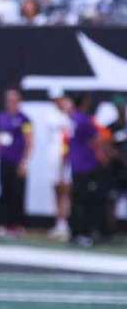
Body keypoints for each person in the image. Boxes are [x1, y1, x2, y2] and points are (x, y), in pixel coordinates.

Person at [0, 89, 32, 238]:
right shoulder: (1, 117)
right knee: (4, 192)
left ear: (19, 102)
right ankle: (1, 225)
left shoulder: (24, 119)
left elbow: (29, 141)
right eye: (9, 100)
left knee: (17, 193)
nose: (11, 103)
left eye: (14, 100)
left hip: (18, 161)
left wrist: (25, 162)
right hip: (4, 160)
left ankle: (18, 226)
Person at [66, 97, 106, 247]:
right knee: (86, 201)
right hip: (86, 165)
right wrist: (102, 157)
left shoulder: (73, 119)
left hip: (76, 165)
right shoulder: (83, 120)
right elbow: (96, 140)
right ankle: (83, 233)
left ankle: (75, 232)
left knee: (76, 200)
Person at [48, 90, 74, 241]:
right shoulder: (51, 116)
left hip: (68, 157)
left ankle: (65, 224)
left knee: (66, 190)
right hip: (55, 157)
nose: (59, 102)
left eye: (61, 99)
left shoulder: (71, 116)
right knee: (57, 190)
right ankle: (59, 223)